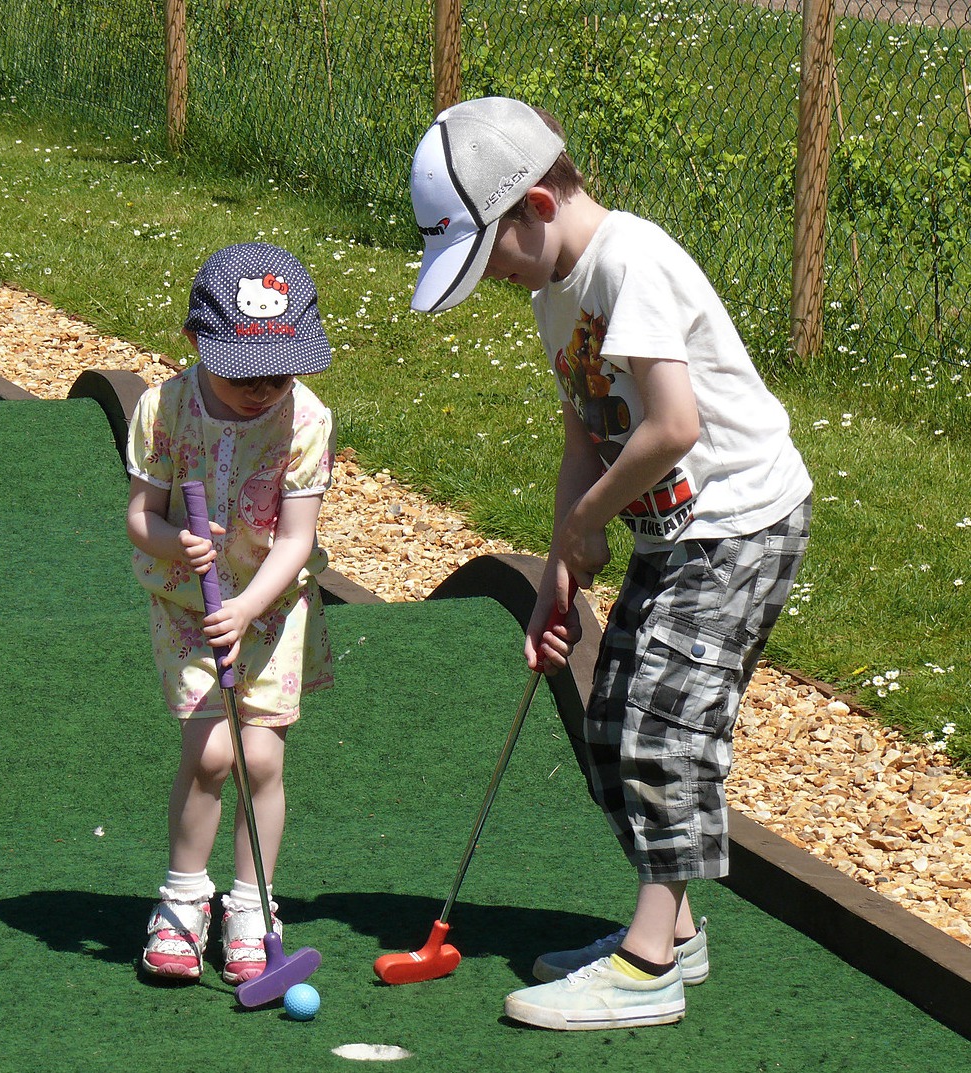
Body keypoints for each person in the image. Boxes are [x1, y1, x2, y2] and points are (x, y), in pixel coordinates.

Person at [408, 97, 812, 1030]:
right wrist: (561, 556)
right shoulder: (558, 291)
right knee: (607, 727)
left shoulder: (628, 263)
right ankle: (670, 928)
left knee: (664, 735)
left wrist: (591, 524)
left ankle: (645, 966)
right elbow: (584, 435)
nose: (498, 279)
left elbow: (674, 425)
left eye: (492, 255)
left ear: (536, 209)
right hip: (672, 535)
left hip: (739, 527)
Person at [125, 242, 336, 985]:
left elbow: (296, 538)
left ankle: (253, 903)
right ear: (194, 343)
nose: (263, 388)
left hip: (270, 607)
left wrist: (248, 604)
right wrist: (179, 545)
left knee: (264, 756)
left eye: (280, 371)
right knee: (213, 753)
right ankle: (183, 899)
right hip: (189, 606)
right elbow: (139, 517)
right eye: (244, 372)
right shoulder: (164, 407)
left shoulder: (305, 421)